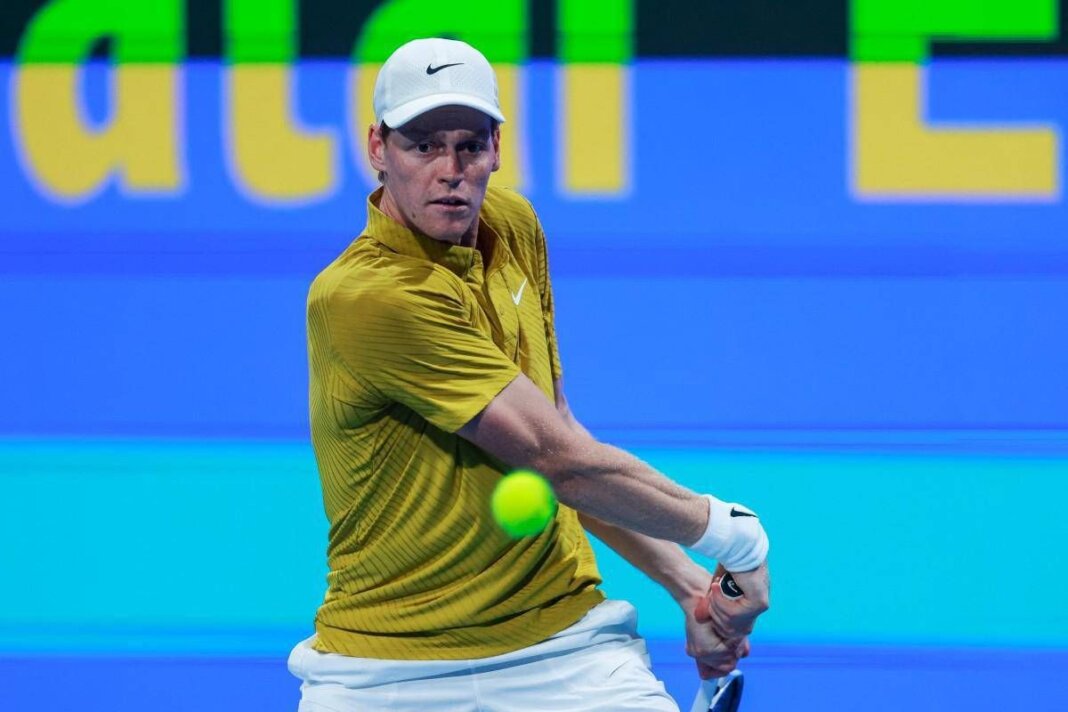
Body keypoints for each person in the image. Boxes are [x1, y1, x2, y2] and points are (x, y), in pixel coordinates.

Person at [289, 37, 771, 711]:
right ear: (378, 149)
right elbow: (558, 462)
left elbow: (557, 435)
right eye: (423, 146)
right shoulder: (367, 296)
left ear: (497, 148)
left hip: (564, 648)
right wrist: (736, 536)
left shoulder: (512, 228)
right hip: (388, 674)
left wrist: (688, 585)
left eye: (469, 145)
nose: (450, 170)